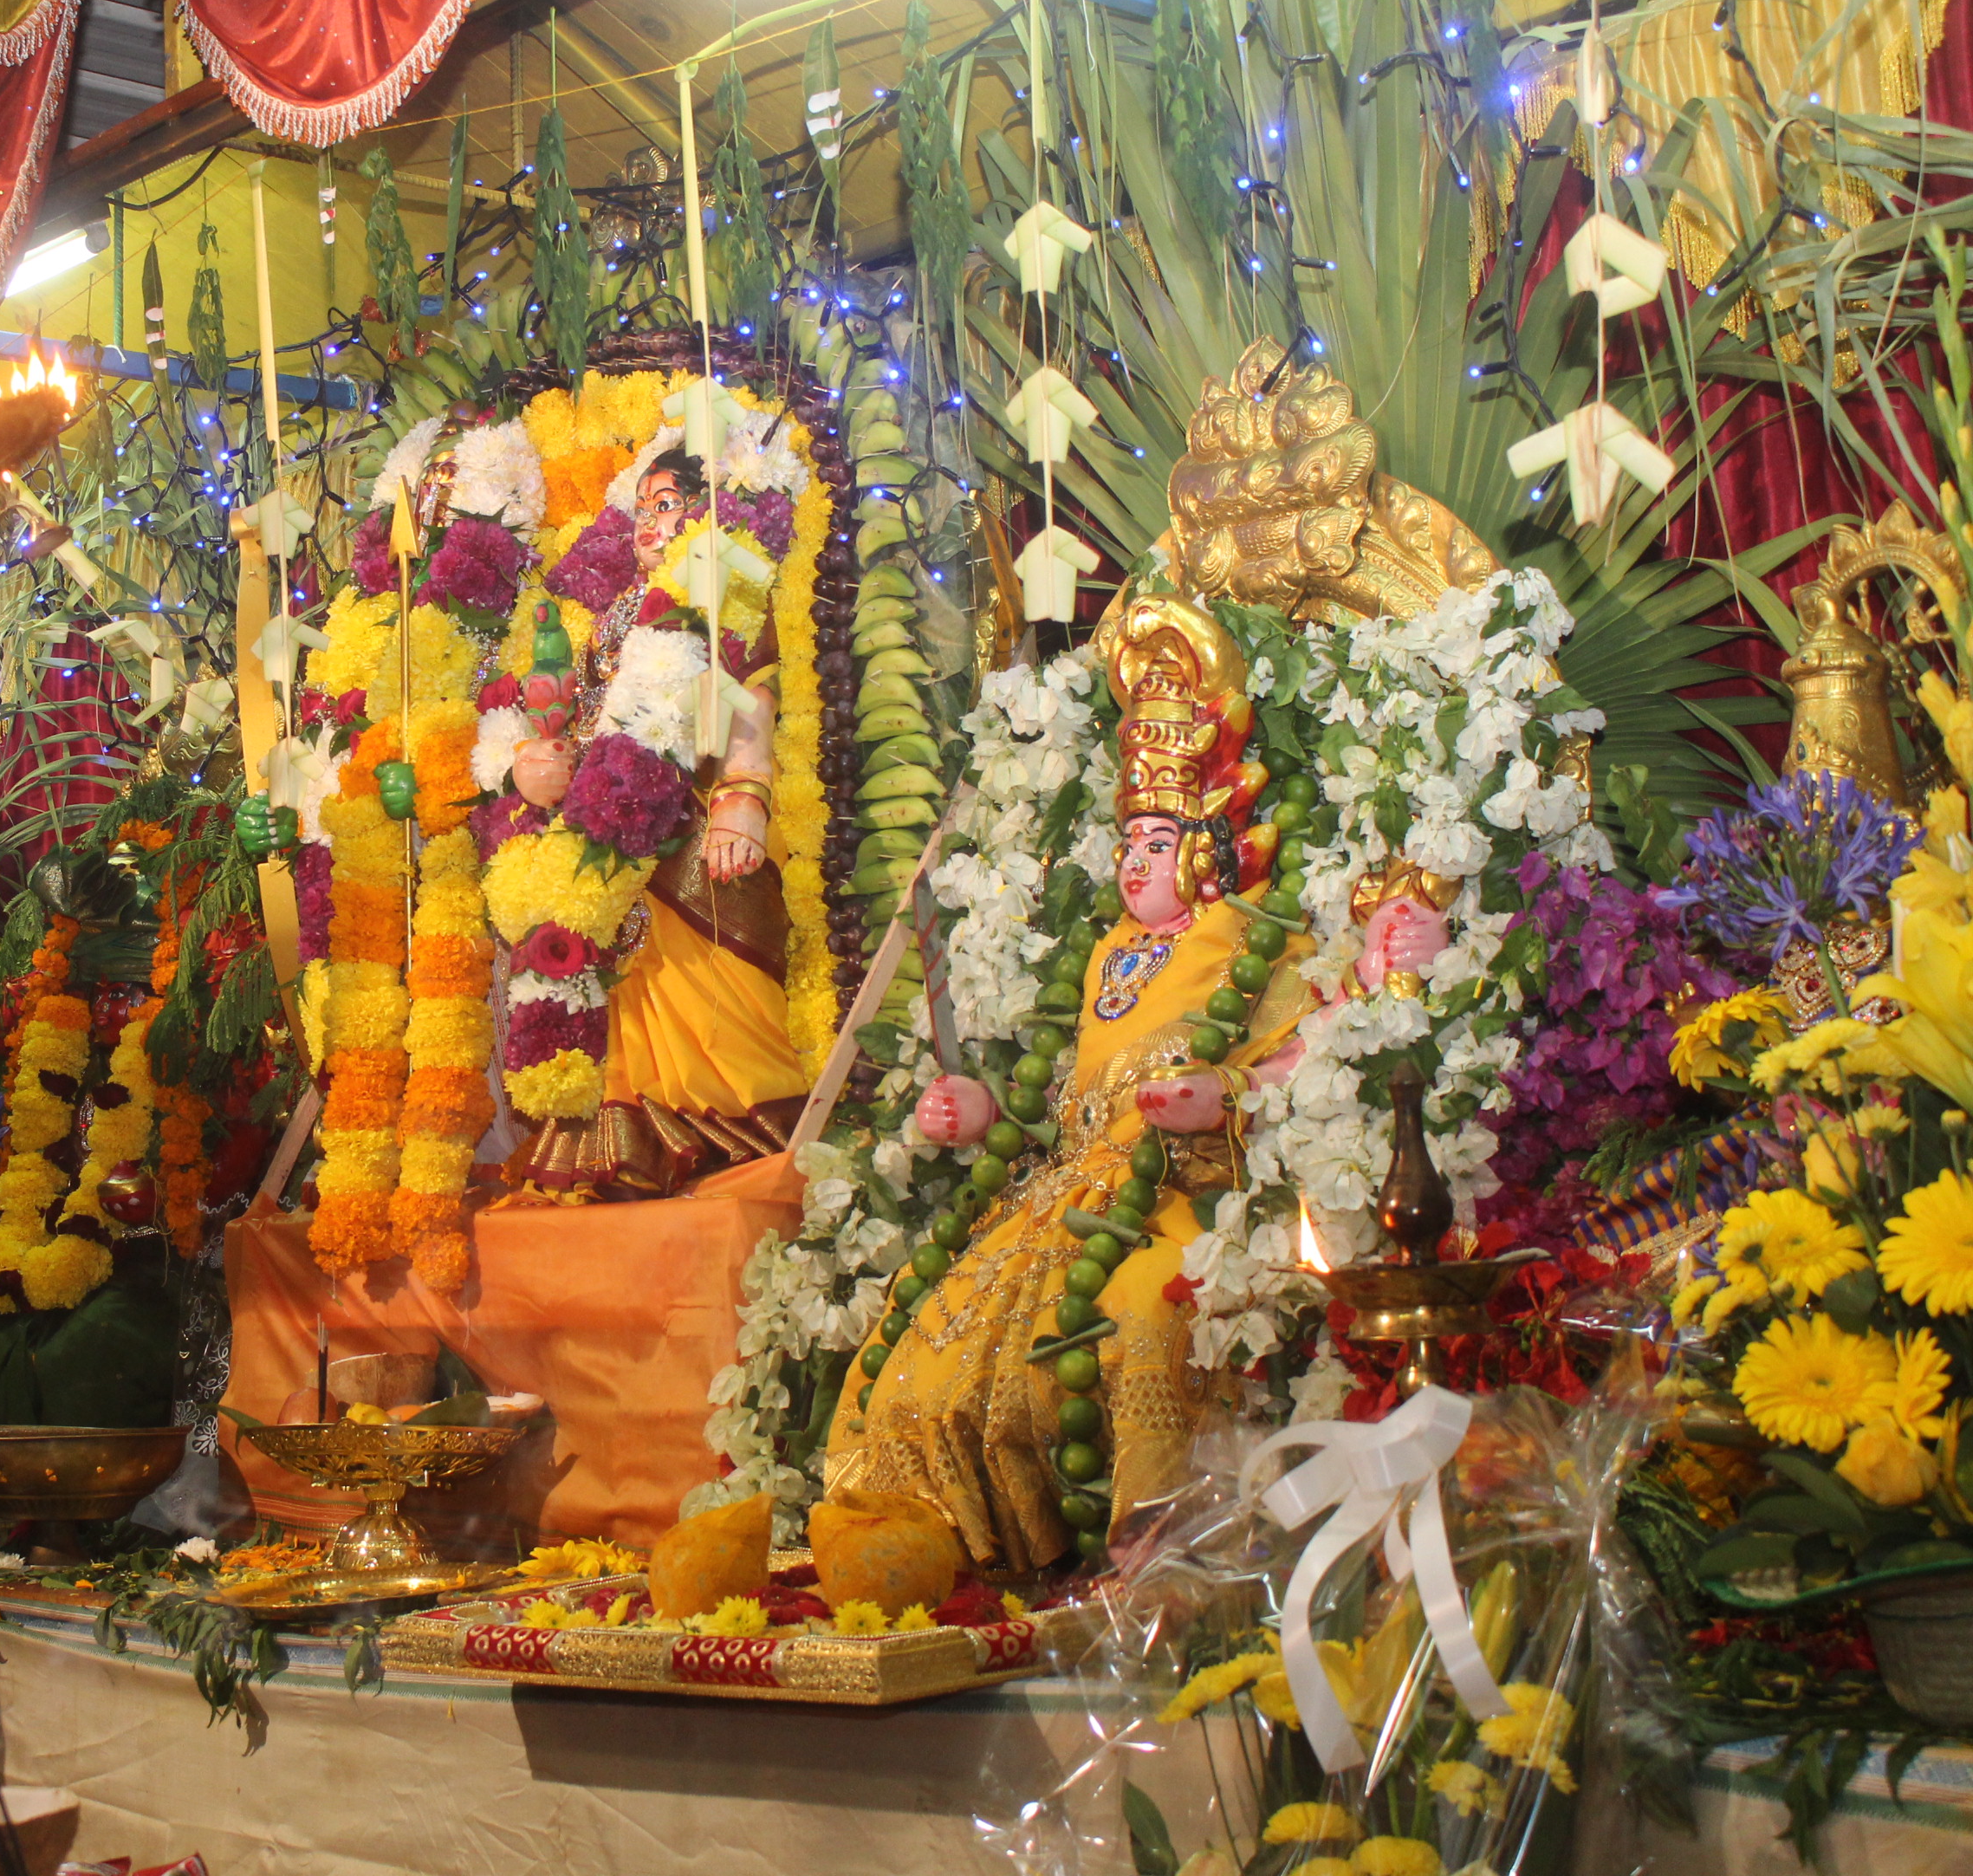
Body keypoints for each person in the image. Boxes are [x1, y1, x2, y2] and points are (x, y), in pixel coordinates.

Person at [824, 596, 1443, 1571]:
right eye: (1126, 843)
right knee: (920, 1309)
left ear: (1203, 850)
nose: (1130, 863)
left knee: (1142, 1315)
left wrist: (1220, 1108)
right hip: (1061, 1200)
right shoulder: (1104, 952)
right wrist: (983, 1112)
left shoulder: (1251, 940)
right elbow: (1060, 1107)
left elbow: (1304, 1071)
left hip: (1186, 1202)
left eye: (1154, 843)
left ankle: (1155, 1557)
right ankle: (914, 1544)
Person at [503, 451, 804, 1197]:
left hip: (700, 818)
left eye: (668, 503)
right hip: (615, 830)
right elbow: (597, 719)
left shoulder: (726, 582)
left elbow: (752, 700)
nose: (650, 522)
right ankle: (632, 1138)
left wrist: (744, 792)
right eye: (642, 507)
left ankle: (735, 1132)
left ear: (708, 512)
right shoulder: (611, 615)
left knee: (717, 979)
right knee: (617, 978)